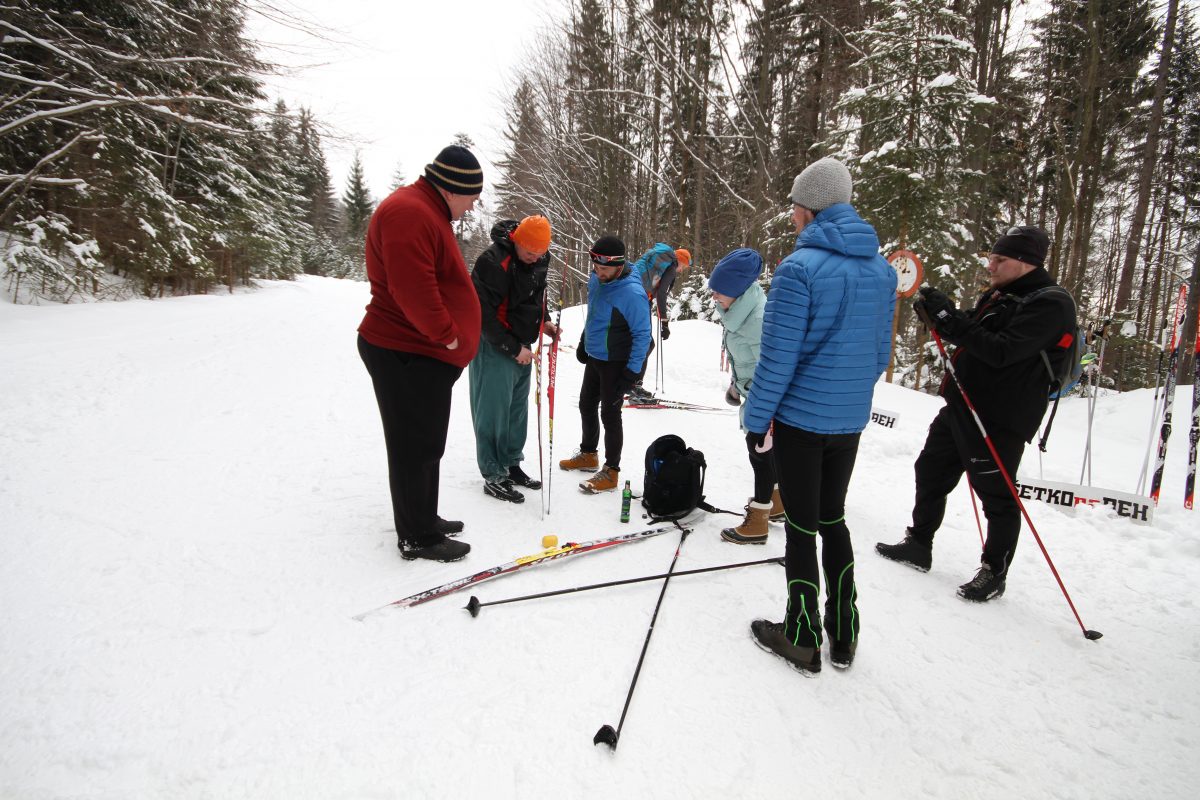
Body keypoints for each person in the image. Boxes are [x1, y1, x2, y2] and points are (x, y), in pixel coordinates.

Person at [742, 157, 896, 674]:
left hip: (803, 422)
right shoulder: (880, 271)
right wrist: (846, 395)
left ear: (810, 209)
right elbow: (879, 355)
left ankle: (803, 635)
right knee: (834, 517)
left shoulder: (798, 269)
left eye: (794, 206)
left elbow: (777, 357)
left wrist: (756, 417)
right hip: (848, 421)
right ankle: (844, 631)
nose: (791, 215)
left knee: (803, 526)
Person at [876, 225, 1076, 603]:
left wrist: (950, 321)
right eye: (991, 257)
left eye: (999, 259)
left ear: (1025, 262)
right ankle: (919, 543)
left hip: (999, 417)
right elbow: (973, 327)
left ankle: (993, 571)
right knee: (930, 470)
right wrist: (939, 312)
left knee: (996, 495)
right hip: (961, 406)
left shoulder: (1050, 303)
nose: (991, 266)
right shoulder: (1003, 294)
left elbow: (1001, 350)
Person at [357, 144, 483, 563]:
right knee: (413, 445)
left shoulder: (426, 210)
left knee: (428, 442)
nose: (472, 206)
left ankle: (425, 518)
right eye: (472, 197)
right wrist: (447, 336)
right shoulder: (410, 212)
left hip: (419, 352)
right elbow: (412, 287)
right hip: (405, 350)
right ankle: (417, 537)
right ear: (452, 189)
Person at [468, 215, 557, 504]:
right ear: (517, 240)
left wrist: (544, 323)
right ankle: (494, 474)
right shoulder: (493, 262)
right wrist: (512, 348)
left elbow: (534, 298)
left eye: (539, 253)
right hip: (494, 343)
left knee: (517, 410)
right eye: (529, 252)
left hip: (523, 343)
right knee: (493, 410)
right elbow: (481, 315)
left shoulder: (541, 259)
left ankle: (511, 463)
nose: (534, 258)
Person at [558, 235, 652, 493]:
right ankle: (589, 454)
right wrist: (583, 341)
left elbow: (643, 335)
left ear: (619, 266)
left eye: (604, 269)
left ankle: (611, 471)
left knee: (610, 414)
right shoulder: (596, 279)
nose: (598, 273)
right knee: (586, 404)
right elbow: (594, 315)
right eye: (595, 267)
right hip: (596, 356)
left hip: (617, 362)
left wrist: (633, 371)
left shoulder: (632, 293)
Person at [706, 248, 785, 544]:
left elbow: (773, 372)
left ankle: (758, 522)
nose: (714, 296)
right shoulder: (737, 312)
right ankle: (777, 502)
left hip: (766, 402)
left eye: (719, 291)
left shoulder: (758, 322)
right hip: (752, 394)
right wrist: (736, 387)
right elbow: (746, 362)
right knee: (765, 455)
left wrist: (765, 419)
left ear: (737, 291)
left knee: (759, 455)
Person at [626, 243, 691, 401]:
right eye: (684, 266)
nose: (681, 270)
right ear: (680, 261)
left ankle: (626, 382)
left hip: (631, 295)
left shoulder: (660, 261)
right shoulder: (671, 267)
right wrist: (664, 322)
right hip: (641, 300)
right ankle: (633, 386)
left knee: (636, 341)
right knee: (647, 343)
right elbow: (662, 294)